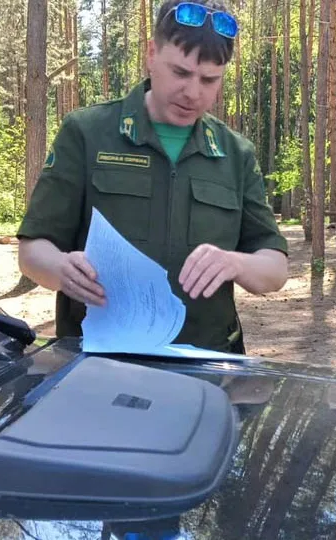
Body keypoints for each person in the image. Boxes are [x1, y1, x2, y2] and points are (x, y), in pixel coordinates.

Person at [16, 0, 289, 354]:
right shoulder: (88, 134)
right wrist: (61, 269)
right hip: (101, 363)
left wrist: (235, 262)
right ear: (151, 54)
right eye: (180, 72)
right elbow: (32, 249)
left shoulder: (235, 154)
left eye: (209, 80)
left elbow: (276, 267)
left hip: (206, 365)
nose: (193, 92)